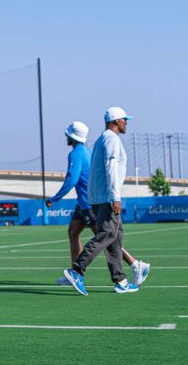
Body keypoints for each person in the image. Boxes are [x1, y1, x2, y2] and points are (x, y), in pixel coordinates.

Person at [48, 121, 149, 286]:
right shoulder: (88, 151)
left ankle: (134, 264)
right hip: (83, 203)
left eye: (67, 134)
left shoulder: (76, 153)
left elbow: (72, 179)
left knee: (106, 238)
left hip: (89, 203)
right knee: (74, 233)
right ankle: (74, 274)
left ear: (72, 136)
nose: (66, 137)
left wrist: (54, 198)